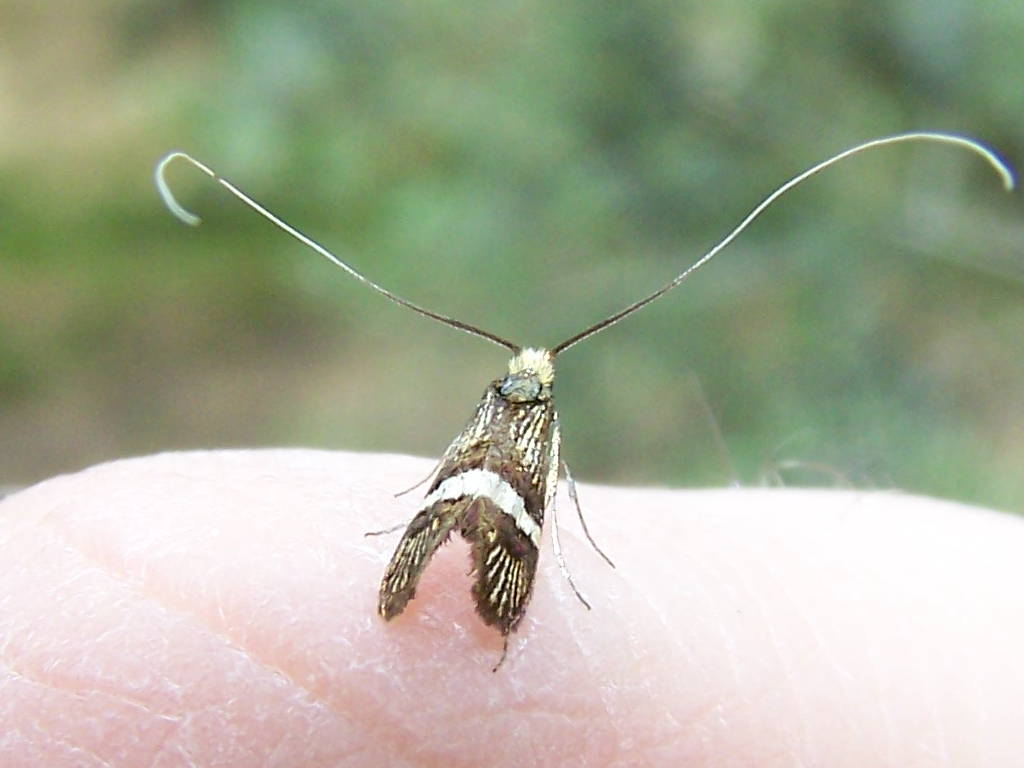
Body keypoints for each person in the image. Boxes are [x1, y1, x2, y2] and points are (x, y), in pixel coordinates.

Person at [2, 449, 1022, 766]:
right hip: (504, 485)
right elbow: (529, 470)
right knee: (499, 499)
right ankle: (430, 555)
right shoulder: (528, 414)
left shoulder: (507, 408)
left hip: (484, 476)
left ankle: (435, 550)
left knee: (478, 492)